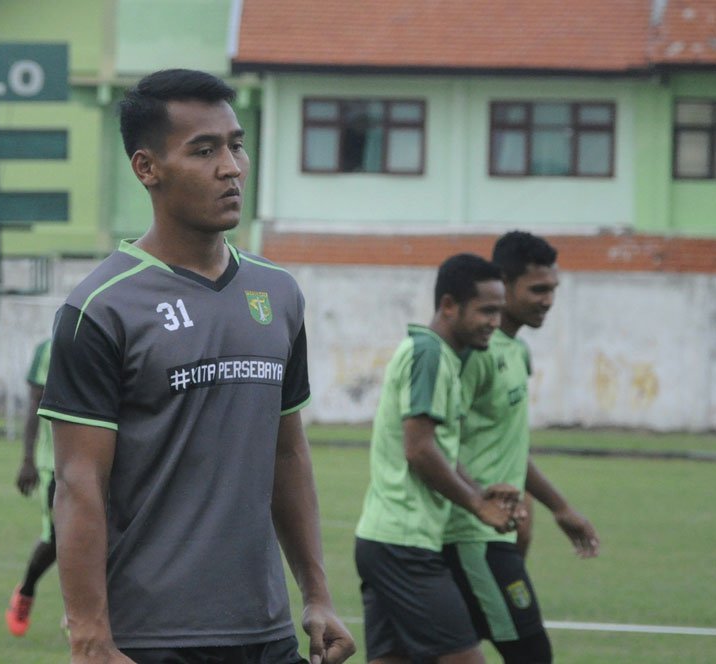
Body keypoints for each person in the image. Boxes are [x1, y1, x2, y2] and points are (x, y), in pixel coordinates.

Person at [38, 69, 356, 664]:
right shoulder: (101, 307)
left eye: (236, 144)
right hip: (152, 639)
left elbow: (287, 453)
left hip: (265, 633)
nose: (231, 167)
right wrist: (89, 635)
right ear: (146, 168)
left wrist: (316, 594)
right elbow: (79, 482)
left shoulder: (279, 293)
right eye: (204, 150)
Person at [355, 253, 522, 664]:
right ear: (449, 305)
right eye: (487, 310)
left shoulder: (443, 357)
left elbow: (438, 448)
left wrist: (479, 490)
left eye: (500, 312)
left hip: (388, 539)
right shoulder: (428, 354)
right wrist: (477, 505)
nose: (495, 322)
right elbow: (420, 450)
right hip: (403, 544)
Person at [442, 231, 600, 663]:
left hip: (499, 531)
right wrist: (478, 500)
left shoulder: (518, 353)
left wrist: (559, 507)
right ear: (504, 285)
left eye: (553, 289)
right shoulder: (475, 355)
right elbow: (437, 444)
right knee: (532, 654)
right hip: (471, 533)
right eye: (538, 289)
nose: (548, 299)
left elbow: (512, 446)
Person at [5, 336, 59, 636]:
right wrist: (27, 459)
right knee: (58, 538)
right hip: (56, 464)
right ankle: (26, 591)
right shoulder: (49, 348)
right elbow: (35, 403)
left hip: (109, 461)